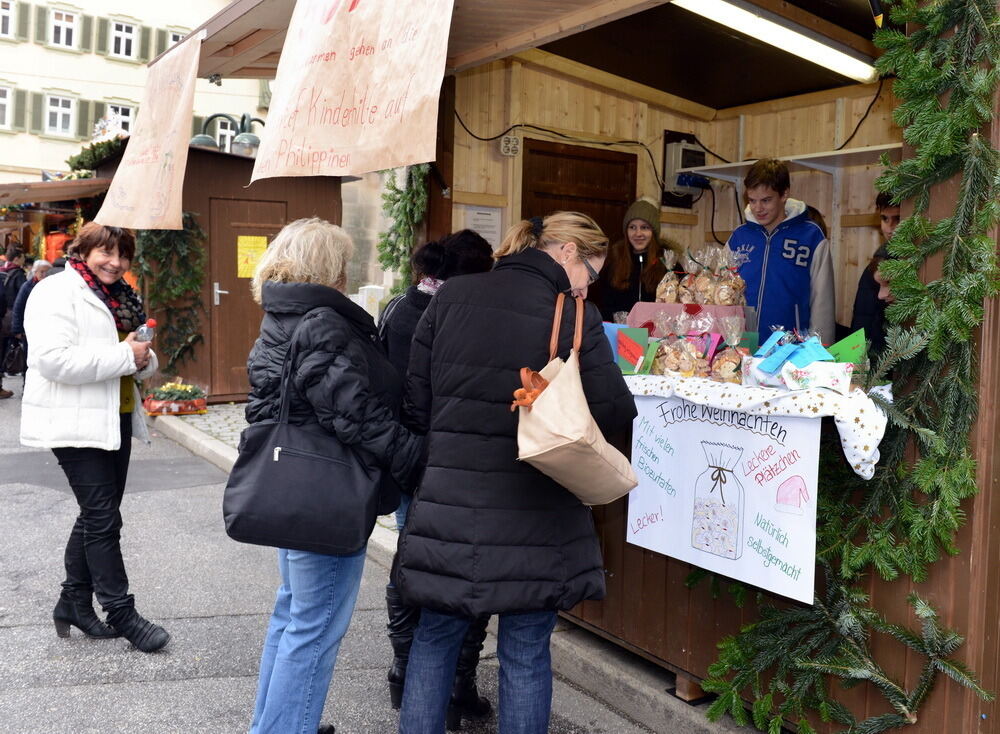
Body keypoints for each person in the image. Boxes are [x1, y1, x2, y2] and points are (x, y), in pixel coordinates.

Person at [394, 211, 637, 733]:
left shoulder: (451, 297)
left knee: (434, 639)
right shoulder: (573, 318)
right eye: (590, 275)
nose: (586, 288)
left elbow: (414, 406)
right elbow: (615, 412)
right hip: (537, 511)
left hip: (449, 507)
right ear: (568, 253)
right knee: (525, 652)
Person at [245, 217, 422, 734]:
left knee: (293, 616)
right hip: (326, 493)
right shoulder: (320, 321)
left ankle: (275, 725)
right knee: (315, 626)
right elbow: (355, 414)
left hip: (295, 486)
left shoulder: (280, 313)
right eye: (341, 263)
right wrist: (416, 456)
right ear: (326, 268)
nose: (347, 273)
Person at [19, 223, 169, 652]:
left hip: (115, 415)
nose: (116, 262)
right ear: (82, 250)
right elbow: (52, 361)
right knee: (103, 518)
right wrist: (126, 355)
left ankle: (73, 603)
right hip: (73, 421)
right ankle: (120, 611)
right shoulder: (55, 292)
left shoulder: (122, 295)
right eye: (106, 252)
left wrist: (141, 358)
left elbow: (137, 354)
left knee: (95, 514)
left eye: (123, 255)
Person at [378, 229, 494, 727]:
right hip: (443, 460)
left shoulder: (402, 305)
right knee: (458, 573)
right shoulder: (452, 314)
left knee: (413, 562)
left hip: (409, 457)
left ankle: (411, 676)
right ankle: (451, 685)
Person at [727, 159, 836, 343]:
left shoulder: (811, 237)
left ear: (784, 194)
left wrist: (820, 353)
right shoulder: (739, 237)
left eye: (766, 200)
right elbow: (722, 294)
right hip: (741, 345)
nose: (758, 208)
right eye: (752, 201)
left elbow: (822, 303)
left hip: (791, 348)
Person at [595, 197, 667, 321]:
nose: (638, 233)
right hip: (619, 333)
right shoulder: (613, 262)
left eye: (644, 227)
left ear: (654, 232)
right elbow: (602, 305)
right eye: (632, 227)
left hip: (657, 336)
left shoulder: (668, 264)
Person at [851, 193, 901, 357]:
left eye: (897, 219)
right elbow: (863, 317)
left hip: (893, 355)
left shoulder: (914, 262)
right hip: (872, 354)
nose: (889, 226)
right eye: (884, 218)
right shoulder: (878, 261)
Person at [10, 259, 52, 369]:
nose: (44, 275)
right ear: (35, 272)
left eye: (47, 272)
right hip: (30, 329)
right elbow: (18, 308)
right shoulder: (27, 287)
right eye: (41, 272)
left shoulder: (53, 286)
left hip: (48, 328)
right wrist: (17, 330)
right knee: (30, 359)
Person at [0, 245, 26, 397]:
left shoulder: (1, 270)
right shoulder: (18, 274)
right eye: (22, 257)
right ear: (17, 258)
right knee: (9, 349)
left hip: (3, 316)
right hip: (10, 315)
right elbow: (21, 299)